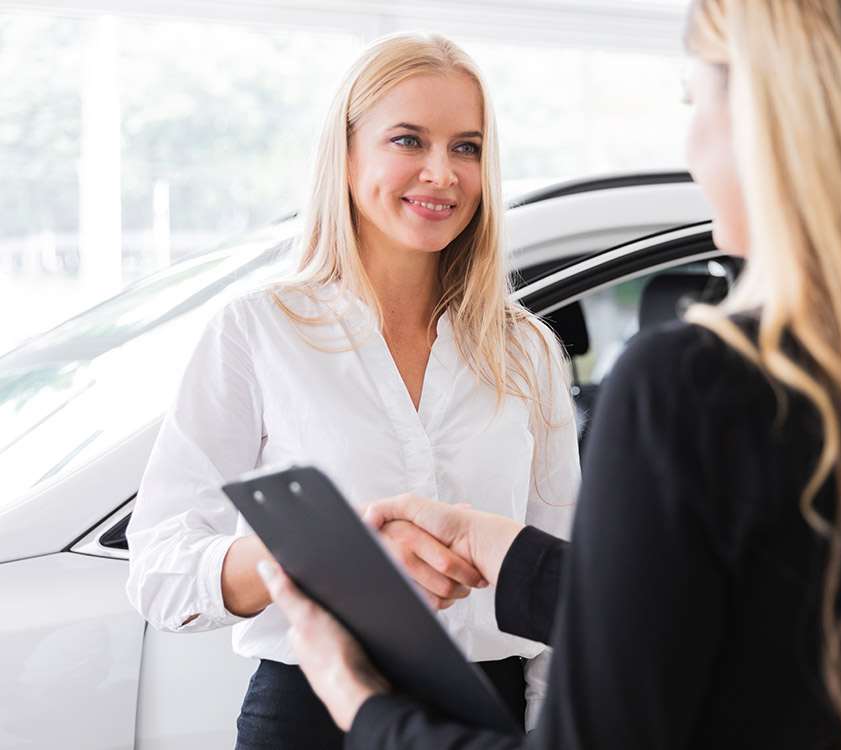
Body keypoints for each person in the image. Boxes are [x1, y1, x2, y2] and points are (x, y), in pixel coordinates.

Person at [260, 1, 841, 748]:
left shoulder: (692, 386)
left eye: (693, 99)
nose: (690, 140)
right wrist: (514, 556)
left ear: (767, 124)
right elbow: (736, 619)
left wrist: (360, 701)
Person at [124, 32, 579, 750]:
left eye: (467, 147)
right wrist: (320, 559)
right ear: (344, 152)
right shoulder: (258, 332)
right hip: (312, 715)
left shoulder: (525, 352)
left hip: (486, 715)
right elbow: (158, 572)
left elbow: (565, 573)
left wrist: (556, 726)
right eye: (409, 140)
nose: (442, 172)